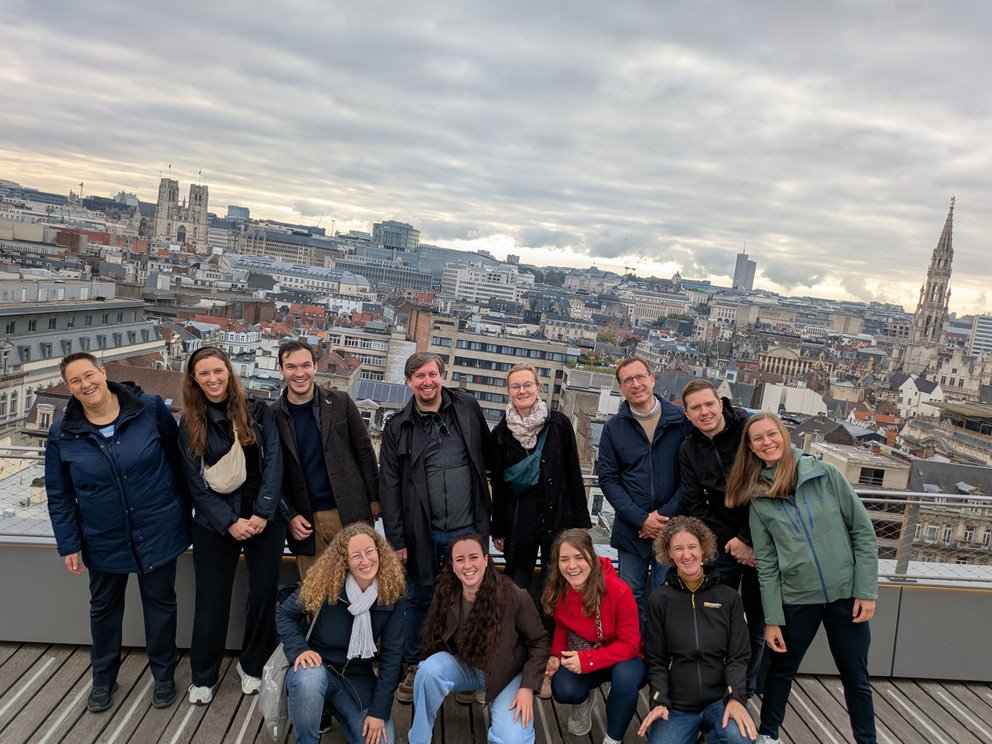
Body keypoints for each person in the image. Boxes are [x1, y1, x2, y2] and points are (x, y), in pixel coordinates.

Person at [45, 352, 191, 713]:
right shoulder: (62, 433)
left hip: (157, 526)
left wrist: (181, 511)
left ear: (103, 372)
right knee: (104, 608)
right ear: (68, 387)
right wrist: (69, 543)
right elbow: (59, 494)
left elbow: (179, 460)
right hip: (102, 534)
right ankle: (103, 680)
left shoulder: (150, 408)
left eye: (89, 375)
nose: (86, 384)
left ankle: (163, 674)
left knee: (160, 603)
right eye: (75, 380)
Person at [725, 412, 878, 744]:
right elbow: (765, 564)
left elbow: (863, 533)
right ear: (750, 448)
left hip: (846, 596)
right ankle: (769, 736)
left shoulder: (826, 474)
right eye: (758, 439)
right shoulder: (759, 500)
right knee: (781, 672)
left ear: (784, 434)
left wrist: (866, 590)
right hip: (797, 599)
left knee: (856, 677)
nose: (767, 442)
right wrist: (772, 620)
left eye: (771, 434)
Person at [379, 351, 492, 702]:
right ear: (409, 382)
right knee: (419, 598)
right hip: (421, 531)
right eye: (419, 377)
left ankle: (465, 667)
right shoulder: (398, 426)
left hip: (467, 529)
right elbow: (389, 487)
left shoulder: (467, 406)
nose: (427, 382)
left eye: (432, 374)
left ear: (442, 375)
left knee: (469, 599)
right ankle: (416, 665)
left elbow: (487, 456)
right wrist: (397, 538)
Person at [179, 346, 286, 704]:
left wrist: (262, 513)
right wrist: (228, 522)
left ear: (229, 371)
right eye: (204, 373)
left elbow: (274, 464)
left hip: (262, 519)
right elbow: (194, 483)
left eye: (218, 371)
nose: (212, 379)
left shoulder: (257, 411)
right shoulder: (190, 421)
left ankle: (252, 666)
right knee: (211, 602)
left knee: (262, 597)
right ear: (194, 378)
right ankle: (204, 676)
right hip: (215, 523)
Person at [409, 533, 549, 744]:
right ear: (453, 565)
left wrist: (527, 686)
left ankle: (501, 711)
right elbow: (433, 637)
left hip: (506, 675)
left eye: (473, 557)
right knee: (427, 671)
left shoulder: (514, 595)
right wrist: (428, 678)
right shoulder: (446, 592)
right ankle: (419, 739)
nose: (467, 565)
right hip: (465, 666)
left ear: (485, 559)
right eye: (460, 559)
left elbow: (539, 642)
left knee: (512, 740)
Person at [276, 522, 406, 744]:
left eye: (369, 552)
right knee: (308, 680)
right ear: (345, 560)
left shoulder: (392, 593)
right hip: (317, 666)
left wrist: (379, 711)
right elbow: (285, 614)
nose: (365, 561)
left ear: (379, 552)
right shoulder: (325, 583)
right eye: (356, 556)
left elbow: (392, 657)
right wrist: (299, 650)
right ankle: (307, 738)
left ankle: (337, 708)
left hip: (356, 676)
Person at [679, 379, 765, 696]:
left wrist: (748, 539)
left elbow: (766, 486)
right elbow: (695, 504)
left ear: (721, 402)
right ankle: (716, 688)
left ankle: (745, 690)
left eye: (709, 404)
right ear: (686, 414)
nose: (705, 412)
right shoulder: (689, 448)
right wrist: (729, 543)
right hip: (722, 543)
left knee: (757, 620)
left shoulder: (747, 428)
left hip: (761, 540)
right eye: (696, 408)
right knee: (715, 619)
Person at [638, 516, 757, 744]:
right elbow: (656, 660)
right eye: (678, 548)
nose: (687, 554)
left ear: (703, 549)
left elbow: (739, 656)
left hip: (721, 700)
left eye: (692, 546)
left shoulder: (729, 598)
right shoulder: (658, 601)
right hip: (677, 704)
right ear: (669, 553)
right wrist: (660, 700)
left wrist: (735, 697)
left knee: (740, 739)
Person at [272, 340, 380, 579]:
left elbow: (364, 450)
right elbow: (271, 474)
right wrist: (289, 515)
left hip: (349, 511)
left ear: (314, 367)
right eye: (291, 367)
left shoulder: (340, 402)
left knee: (360, 586)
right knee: (316, 595)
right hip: (306, 520)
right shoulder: (272, 415)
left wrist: (375, 497)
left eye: (305, 365)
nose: (299, 373)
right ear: (280, 369)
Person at [490, 362, 591, 614]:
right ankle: (517, 640)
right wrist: (498, 529)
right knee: (517, 582)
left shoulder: (558, 424)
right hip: (520, 519)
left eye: (527, 385)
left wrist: (581, 521)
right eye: (516, 386)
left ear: (538, 388)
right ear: (509, 392)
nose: (522, 391)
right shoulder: (500, 434)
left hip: (557, 517)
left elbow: (573, 472)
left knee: (557, 582)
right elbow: (499, 486)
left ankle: (552, 642)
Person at [598, 357, 691, 617]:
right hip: (631, 531)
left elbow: (690, 477)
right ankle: (632, 654)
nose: (635, 384)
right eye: (628, 380)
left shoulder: (681, 421)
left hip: (672, 530)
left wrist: (662, 519)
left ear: (652, 378)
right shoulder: (613, 428)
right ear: (620, 388)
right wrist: (641, 519)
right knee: (629, 599)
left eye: (640, 377)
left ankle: (658, 656)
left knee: (667, 598)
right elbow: (608, 479)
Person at [543, 529, 644, 744]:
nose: (572, 566)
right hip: (587, 653)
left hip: (624, 657)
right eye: (564, 559)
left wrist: (588, 660)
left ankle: (613, 738)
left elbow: (631, 644)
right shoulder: (560, 588)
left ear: (592, 556)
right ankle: (585, 700)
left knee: (625, 680)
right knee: (562, 689)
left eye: (579, 557)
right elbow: (562, 626)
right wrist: (555, 655)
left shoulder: (619, 590)